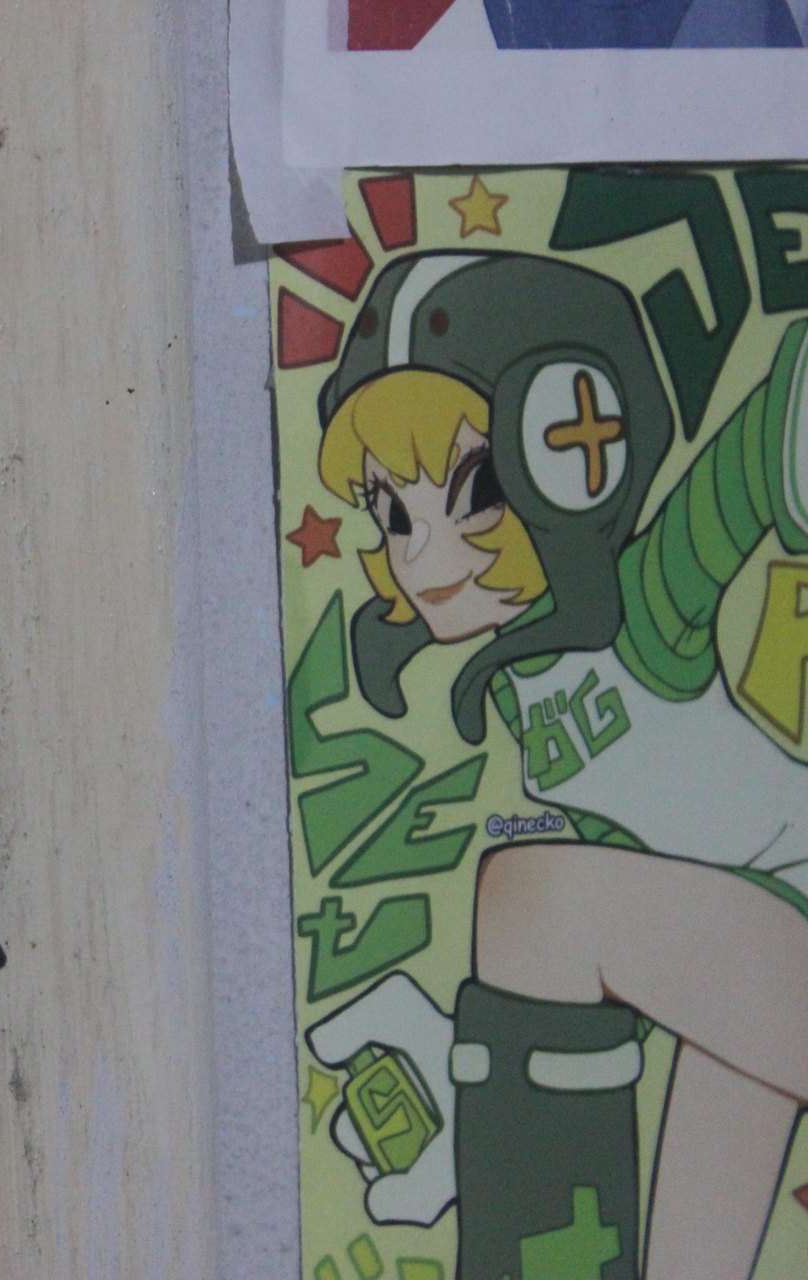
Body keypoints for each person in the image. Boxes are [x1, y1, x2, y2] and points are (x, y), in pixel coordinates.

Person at [306, 251, 808, 1279]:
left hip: (783, 931)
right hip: (753, 957)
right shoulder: (523, 684)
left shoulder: (640, 610)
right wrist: (487, 1080)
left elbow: (757, 454)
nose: (421, 554)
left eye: (473, 489)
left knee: (532, 895)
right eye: (393, 512)